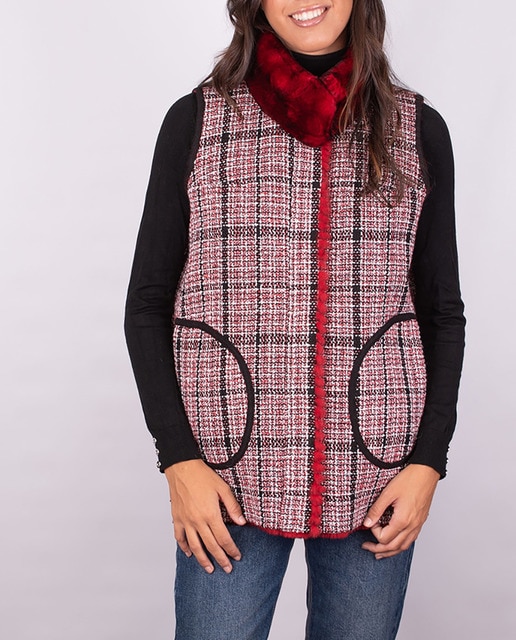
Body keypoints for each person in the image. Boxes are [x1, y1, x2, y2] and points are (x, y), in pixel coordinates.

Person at [124, 1, 466, 638]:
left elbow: (442, 311)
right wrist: (179, 461)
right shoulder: (197, 121)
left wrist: (428, 463)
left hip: (378, 471)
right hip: (226, 473)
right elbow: (147, 303)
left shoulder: (418, 129)